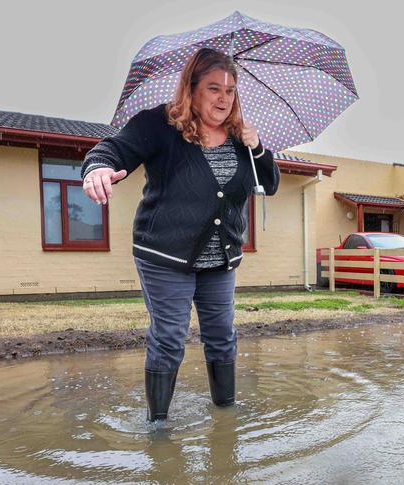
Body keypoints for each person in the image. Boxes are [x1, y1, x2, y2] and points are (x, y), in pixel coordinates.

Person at [80, 48, 280, 421]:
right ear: (192, 88)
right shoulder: (160, 124)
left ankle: (225, 413)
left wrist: (258, 148)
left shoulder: (240, 137)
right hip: (165, 256)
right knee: (170, 338)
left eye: (231, 90)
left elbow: (268, 185)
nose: (224, 98)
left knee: (222, 335)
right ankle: (158, 426)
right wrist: (98, 168)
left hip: (220, 259)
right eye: (214, 88)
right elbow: (114, 149)